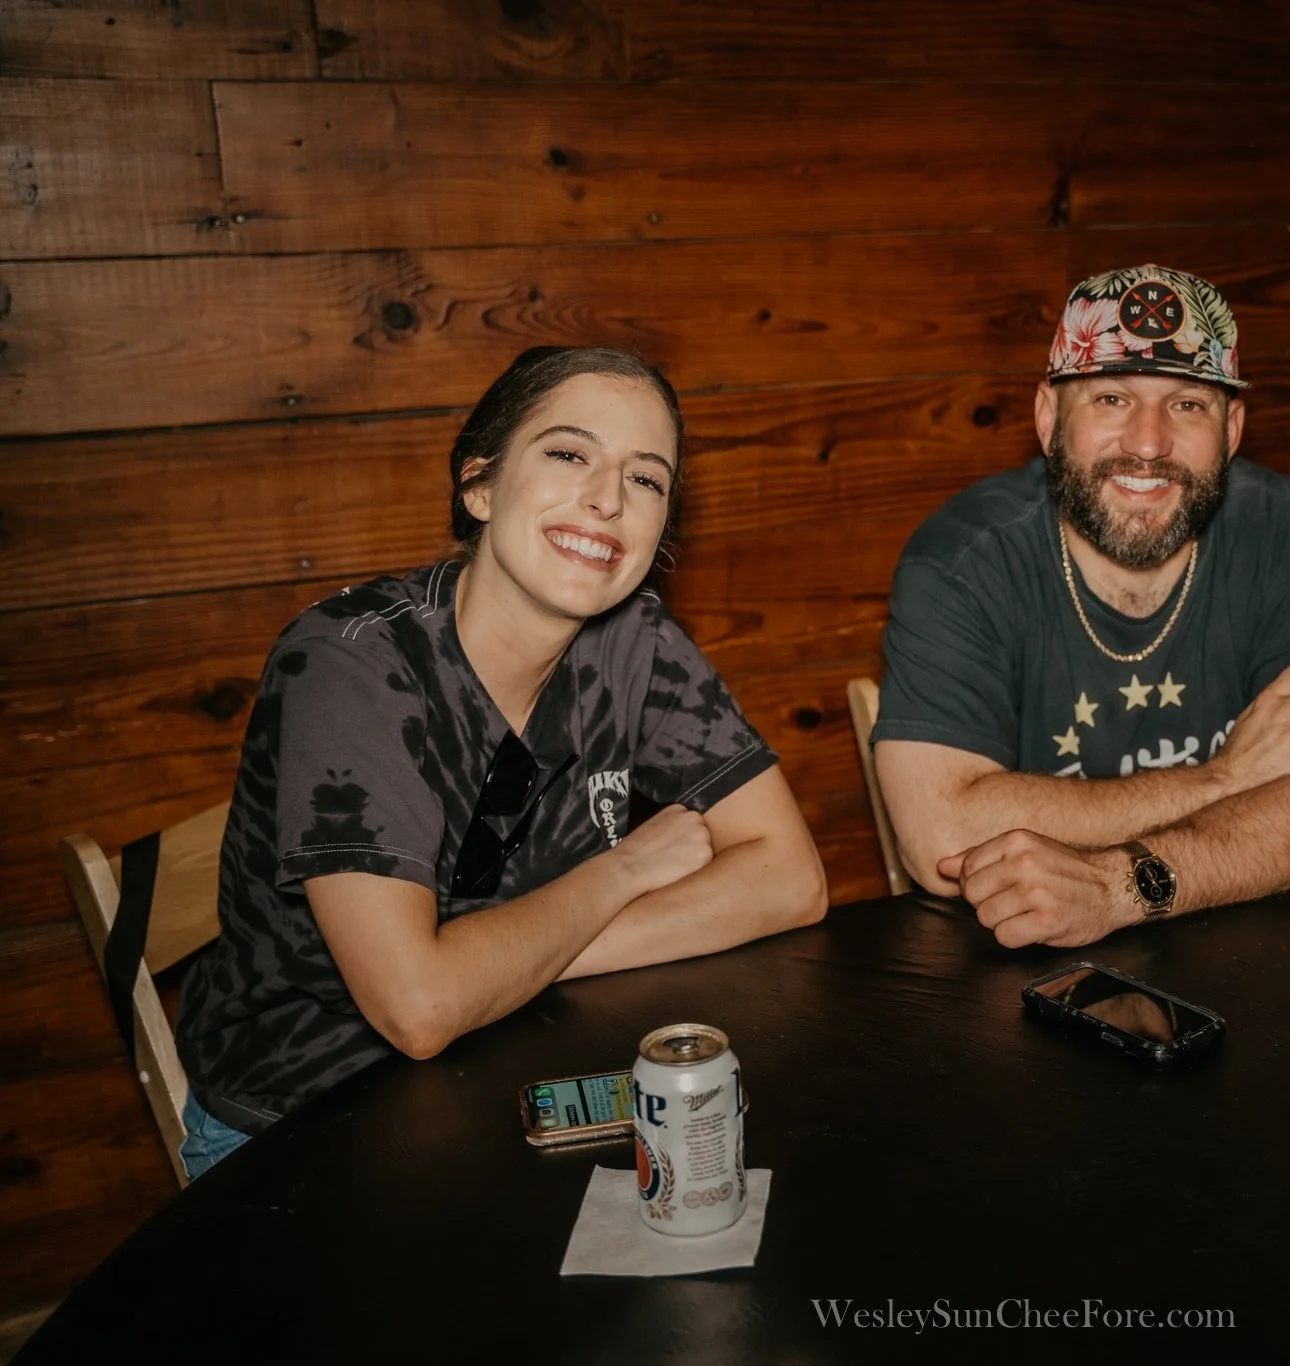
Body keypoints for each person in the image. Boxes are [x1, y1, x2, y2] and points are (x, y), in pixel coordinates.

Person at [173, 347, 827, 1178]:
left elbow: (791, 879)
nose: (607, 500)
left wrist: (516, 958)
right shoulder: (353, 666)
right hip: (299, 1129)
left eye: (647, 479)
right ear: (479, 485)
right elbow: (421, 1007)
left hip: (515, 1077)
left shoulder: (637, 643)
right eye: (567, 453)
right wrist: (620, 872)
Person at [872, 264, 1290, 949]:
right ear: (1050, 418)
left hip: (1255, 951)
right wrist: (1228, 777)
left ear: (1232, 429)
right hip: (1017, 970)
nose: (1148, 443)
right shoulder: (962, 563)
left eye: (1188, 404)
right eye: (1112, 399)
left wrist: (1122, 888)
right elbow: (941, 836)